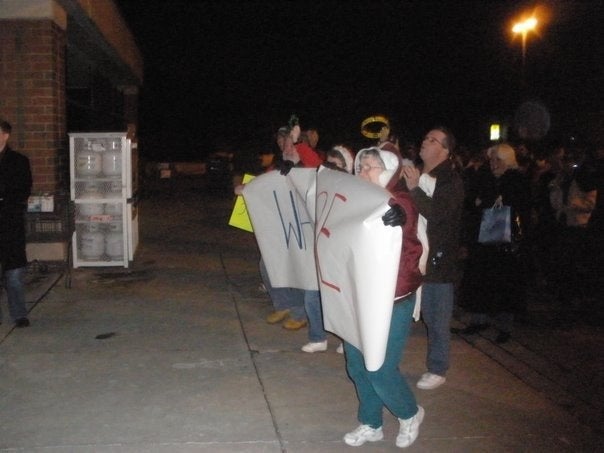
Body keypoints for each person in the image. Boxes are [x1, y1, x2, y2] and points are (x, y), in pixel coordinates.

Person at [342, 146, 425, 448]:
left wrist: (398, 216)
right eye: (360, 167)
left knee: (379, 368)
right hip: (358, 296)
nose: (363, 172)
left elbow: (405, 215)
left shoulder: (397, 200)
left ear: (388, 170)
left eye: (371, 167)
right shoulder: (357, 198)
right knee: (356, 364)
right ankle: (371, 422)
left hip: (392, 300)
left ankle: (409, 413)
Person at [401, 126, 464, 390]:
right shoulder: (420, 172)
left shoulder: (450, 180)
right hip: (414, 254)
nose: (425, 142)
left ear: (446, 150)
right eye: (425, 137)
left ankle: (438, 367)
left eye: (433, 140)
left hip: (437, 260)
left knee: (436, 316)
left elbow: (439, 217)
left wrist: (415, 189)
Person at [456, 144, 531, 343]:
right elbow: (472, 202)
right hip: (483, 239)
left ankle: (505, 326)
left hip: (506, 242)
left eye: (498, 160)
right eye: (491, 160)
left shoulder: (518, 180)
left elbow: (521, 208)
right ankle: (478, 319)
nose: (493, 164)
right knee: (480, 279)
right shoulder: (484, 177)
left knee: (504, 282)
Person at [0, 119, 33, 328]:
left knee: (14, 273)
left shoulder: (18, 161)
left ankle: (19, 313)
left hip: (10, 221)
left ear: (5, 135)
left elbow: (23, 190)